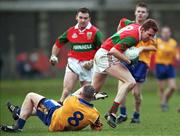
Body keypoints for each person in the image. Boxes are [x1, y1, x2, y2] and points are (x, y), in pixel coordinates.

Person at [92, 19, 158, 128]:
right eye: (149, 35)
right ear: (142, 29)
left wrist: (119, 35)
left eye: (153, 36)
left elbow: (123, 21)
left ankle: (70, 103)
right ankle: (112, 113)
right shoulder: (134, 38)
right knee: (130, 81)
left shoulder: (135, 25)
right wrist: (129, 61)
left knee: (92, 91)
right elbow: (114, 51)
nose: (150, 38)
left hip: (102, 53)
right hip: (107, 56)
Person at [49, 7, 103, 103]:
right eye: (81, 17)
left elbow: (102, 50)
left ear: (89, 19)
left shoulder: (95, 32)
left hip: (88, 66)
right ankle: (59, 108)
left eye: (85, 18)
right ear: (76, 17)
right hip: (73, 63)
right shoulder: (71, 31)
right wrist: (53, 56)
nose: (83, 20)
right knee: (66, 91)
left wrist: (92, 61)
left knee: (86, 95)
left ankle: (78, 112)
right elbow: (58, 44)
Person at [116, 2, 157, 123]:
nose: (140, 14)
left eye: (143, 12)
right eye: (138, 11)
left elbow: (155, 48)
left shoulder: (151, 29)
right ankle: (122, 114)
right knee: (122, 88)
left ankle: (137, 114)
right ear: (135, 12)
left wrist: (142, 48)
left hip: (141, 62)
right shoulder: (129, 25)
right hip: (125, 59)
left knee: (136, 93)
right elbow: (119, 32)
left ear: (147, 14)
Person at [0, 85, 103, 132]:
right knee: (47, 106)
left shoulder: (72, 101)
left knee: (30, 96)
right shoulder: (95, 114)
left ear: (81, 94)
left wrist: (93, 96)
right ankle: (18, 112)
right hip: (63, 123)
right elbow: (97, 127)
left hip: (52, 118)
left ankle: (19, 126)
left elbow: (64, 102)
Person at [155, 26, 179, 111]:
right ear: (161, 33)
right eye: (164, 32)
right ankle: (164, 104)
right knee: (161, 88)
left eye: (167, 32)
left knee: (172, 87)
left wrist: (177, 57)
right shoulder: (157, 41)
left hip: (170, 66)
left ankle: (164, 101)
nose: (166, 34)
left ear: (170, 33)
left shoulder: (173, 42)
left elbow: (176, 54)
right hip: (159, 65)